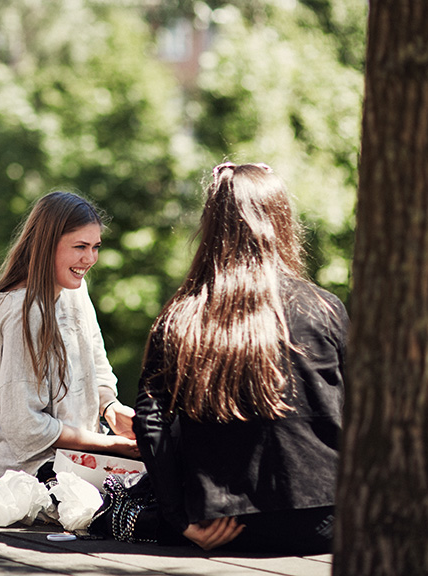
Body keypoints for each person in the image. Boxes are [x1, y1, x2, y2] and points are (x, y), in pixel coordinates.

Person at [133, 162, 348, 555]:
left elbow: (150, 420)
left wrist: (179, 517)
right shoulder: (325, 308)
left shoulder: (182, 316)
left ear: (210, 227)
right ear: (282, 221)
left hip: (228, 526)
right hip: (329, 519)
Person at [0, 190, 139, 486]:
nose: (90, 258)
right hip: (37, 482)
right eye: (80, 246)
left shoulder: (75, 290)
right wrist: (108, 445)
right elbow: (26, 427)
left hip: (84, 463)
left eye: (95, 246)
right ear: (47, 245)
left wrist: (110, 407)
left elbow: (97, 365)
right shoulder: (23, 311)